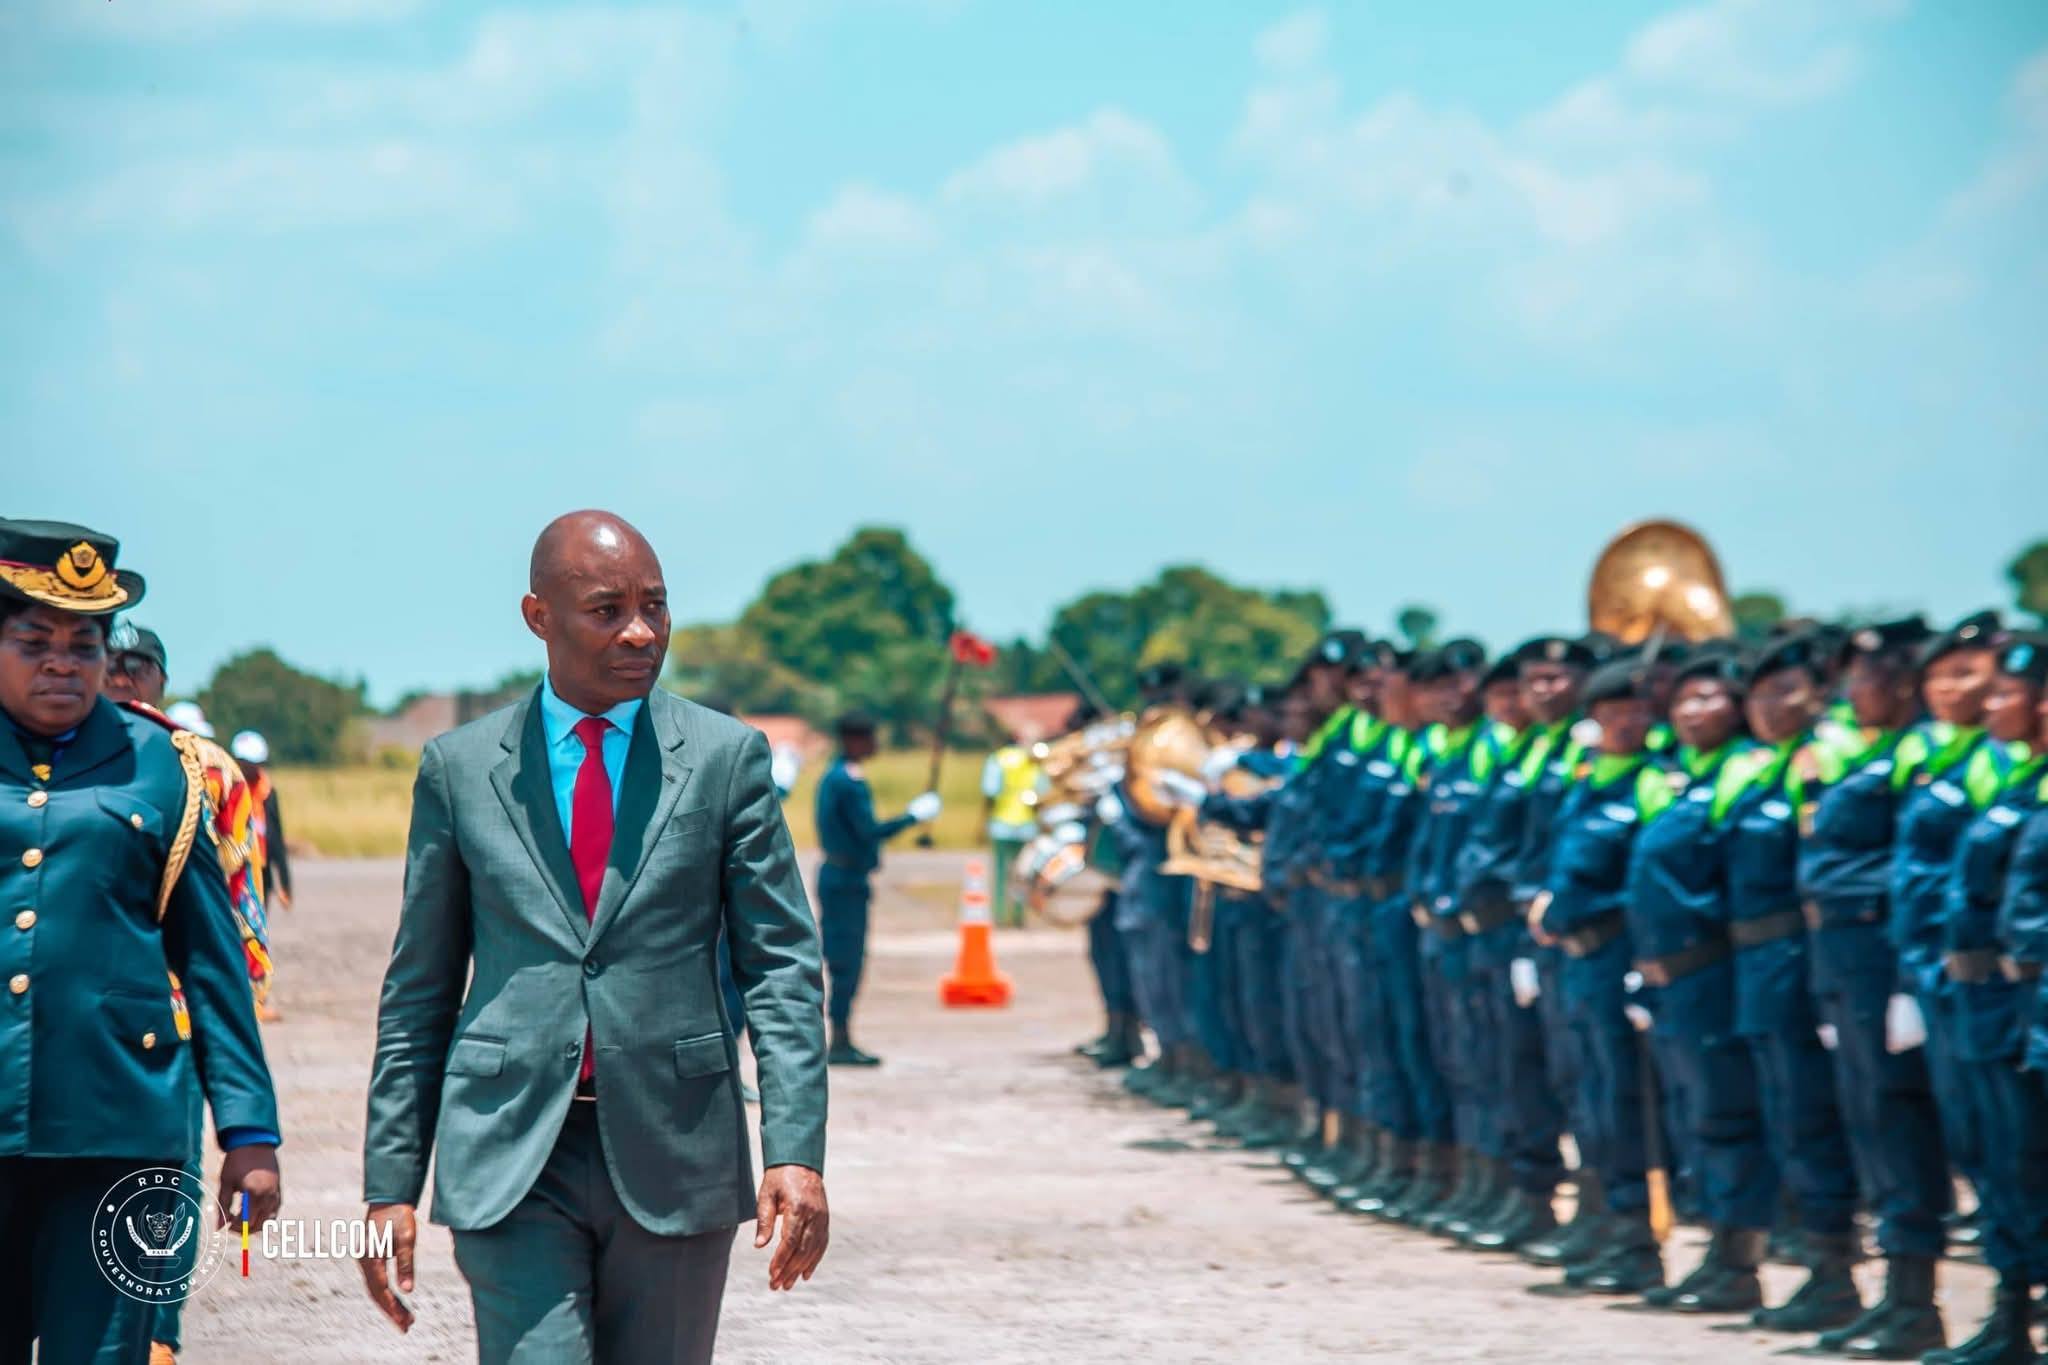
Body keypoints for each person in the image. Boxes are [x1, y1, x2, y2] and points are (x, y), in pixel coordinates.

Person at [357, 511, 830, 1364]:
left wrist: (794, 1151)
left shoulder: (727, 760)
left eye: (655, 605)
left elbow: (782, 968)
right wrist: (390, 1182)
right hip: (510, 1150)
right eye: (608, 610)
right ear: (540, 617)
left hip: (677, 1147)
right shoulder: (460, 771)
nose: (641, 631)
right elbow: (420, 988)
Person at [0, 517, 282, 1364]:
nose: (63, 661)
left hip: (120, 1128)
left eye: (84, 644)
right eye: (34, 639)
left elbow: (209, 957)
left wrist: (248, 1130)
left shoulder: (163, 765)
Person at [102, 622, 278, 1365]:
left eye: (137, 666)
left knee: (161, 1183)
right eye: (111, 661)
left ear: (161, 678)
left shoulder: (202, 765)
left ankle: (159, 1337)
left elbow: (243, 891)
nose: (122, 677)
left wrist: (244, 1000)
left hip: (171, 1015)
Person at [1527, 656, 1677, 1296]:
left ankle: (1640, 1241)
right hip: (1576, 960)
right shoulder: (1586, 775)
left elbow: (1648, 881)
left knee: (1623, 1099)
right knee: (1589, 1098)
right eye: (1615, 713)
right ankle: (1610, 1224)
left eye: (1639, 712)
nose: (1628, 724)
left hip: (1617, 956)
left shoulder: (1654, 779)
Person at [1932, 632, 2048, 1364]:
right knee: (2002, 1159)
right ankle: (2010, 1318)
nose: (1989, 705)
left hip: (2026, 1000)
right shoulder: (2021, 783)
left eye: (2006, 693)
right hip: (1992, 999)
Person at [814, 710, 941, 1067]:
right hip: (846, 881)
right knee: (846, 960)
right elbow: (868, 831)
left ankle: (841, 1035)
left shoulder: (834, 775)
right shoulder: (849, 781)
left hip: (840, 877)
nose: (875, 745)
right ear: (855, 740)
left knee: (844, 958)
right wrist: (912, 817)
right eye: (870, 737)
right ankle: (838, 1038)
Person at [982, 740, 1041, 929]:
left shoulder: (998, 759)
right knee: (1022, 872)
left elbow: (990, 790)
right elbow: (1043, 789)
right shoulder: (1032, 757)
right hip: (1026, 823)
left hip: (1002, 823)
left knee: (1001, 872)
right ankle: (1018, 914)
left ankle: (1000, 913)